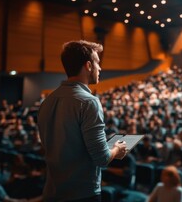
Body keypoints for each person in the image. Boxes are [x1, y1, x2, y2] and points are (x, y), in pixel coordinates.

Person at [38, 40, 127, 201]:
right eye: (97, 63)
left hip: (52, 192)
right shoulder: (88, 102)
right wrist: (115, 149)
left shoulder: (47, 101)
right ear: (88, 66)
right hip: (82, 194)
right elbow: (102, 158)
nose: (100, 68)